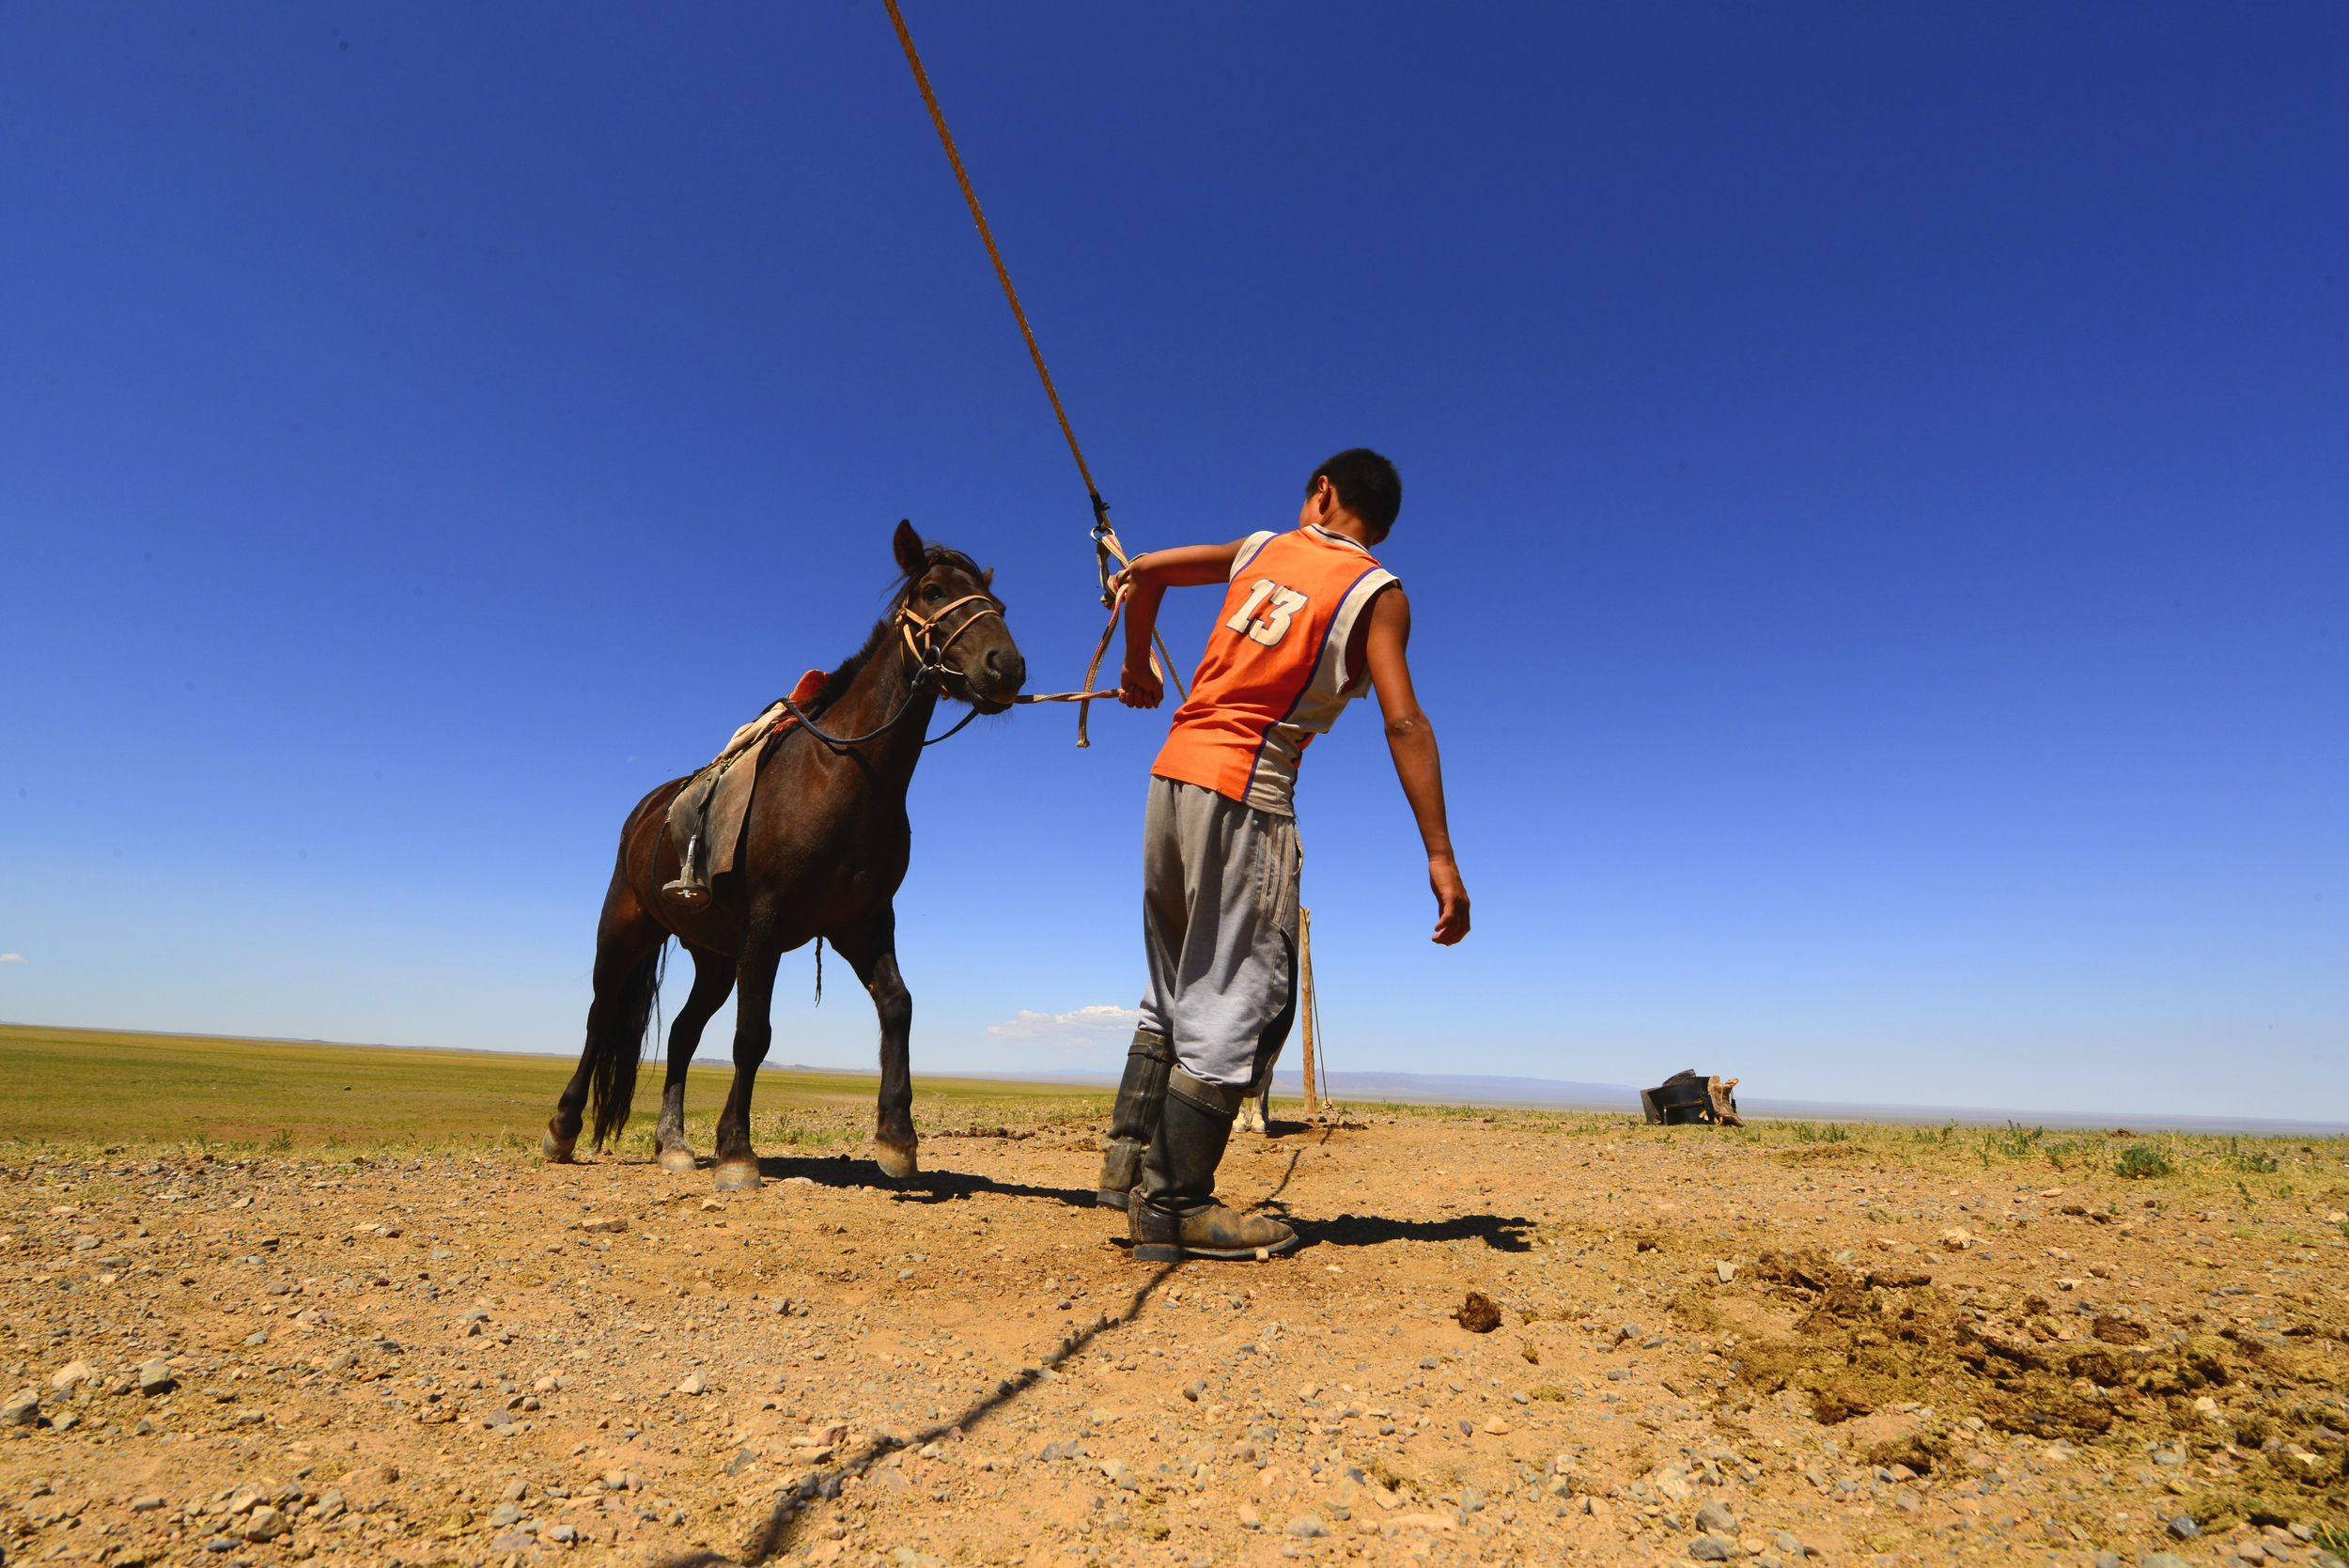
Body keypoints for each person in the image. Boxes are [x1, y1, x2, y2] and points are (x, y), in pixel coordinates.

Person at [1095, 448, 1470, 1263]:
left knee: (1173, 985)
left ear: (1323, 493)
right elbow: (1404, 722)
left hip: (1171, 780)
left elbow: (1145, 572)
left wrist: (1134, 669)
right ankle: (1172, 1204)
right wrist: (1440, 855)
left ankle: (1125, 1171)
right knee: (1239, 997)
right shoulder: (1379, 592)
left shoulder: (1262, 546)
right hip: (1248, 792)